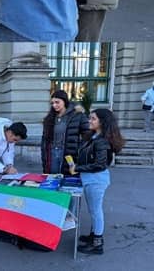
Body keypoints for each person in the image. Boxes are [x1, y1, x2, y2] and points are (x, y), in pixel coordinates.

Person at [69, 108, 124, 255]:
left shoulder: (102, 141)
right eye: (89, 118)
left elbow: (100, 164)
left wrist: (78, 167)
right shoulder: (95, 136)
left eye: (93, 118)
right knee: (94, 210)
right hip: (90, 179)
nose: (89, 121)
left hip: (96, 180)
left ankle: (97, 243)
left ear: (102, 122)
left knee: (95, 211)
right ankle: (93, 236)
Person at [41, 89, 90, 174]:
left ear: (64, 101)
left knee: (67, 180)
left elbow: (88, 134)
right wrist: (44, 154)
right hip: (52, 153)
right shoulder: (50, 118)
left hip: (69, 153)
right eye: (52, 103)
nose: (54, 105)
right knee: (52, 179)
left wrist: (80, 149)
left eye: (57, 102)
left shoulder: (77, 115)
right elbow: (44, 139)